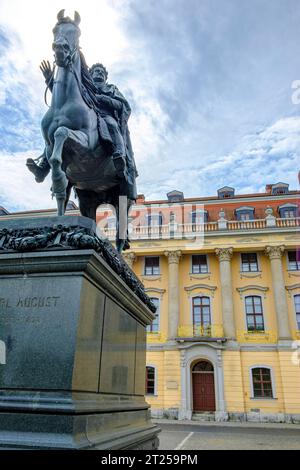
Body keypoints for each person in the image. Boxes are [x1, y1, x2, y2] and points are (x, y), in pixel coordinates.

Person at [27, 60, 137, 200]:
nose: (100, 73)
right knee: (57, 127)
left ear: (106, 76)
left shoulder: (111, 88)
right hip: (83, 117)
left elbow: (122, 105)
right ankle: (43, 167)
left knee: (112, 124)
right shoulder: (84, 87)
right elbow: (66, 95)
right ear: (90, 73)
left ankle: (119, 155)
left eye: (102, 72)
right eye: (97, 71)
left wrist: (101, 98)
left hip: (103, 116)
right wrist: (49, 79)